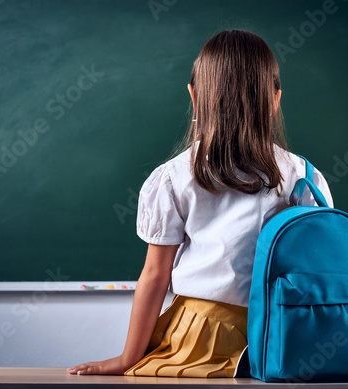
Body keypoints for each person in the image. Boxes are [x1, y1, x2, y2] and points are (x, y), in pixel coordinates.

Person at [66, 29, 333, 378]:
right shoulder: (305, 177)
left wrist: (127, 357)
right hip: (283, 335)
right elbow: (318, 269)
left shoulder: (175, 177)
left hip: (201, 339)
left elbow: (155, 274)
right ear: (275, 100)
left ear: (194, 96)